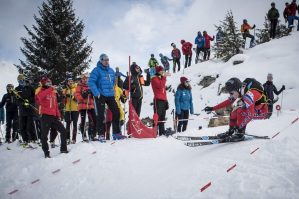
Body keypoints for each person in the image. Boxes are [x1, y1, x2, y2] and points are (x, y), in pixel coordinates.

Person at [204, 78, 268, 142]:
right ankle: (231, 131)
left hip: (261, 111)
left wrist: (239, 128)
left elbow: (250, 115)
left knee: (240, 110)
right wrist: (212, 108)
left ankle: (240, 134)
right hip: (254, 107)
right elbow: (228, 101)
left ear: (237, 89)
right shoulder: (240, 91)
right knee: (233, 113)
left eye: (231, 93)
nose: (230, 95)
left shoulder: (250, 94)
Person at [88, 53, 125, 140]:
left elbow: (113, 83)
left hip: (110, 95)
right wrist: (97, 93)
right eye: (104, 60)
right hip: (101, 95)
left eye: (107, 60)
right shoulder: (96, 70)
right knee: (101, 115)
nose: (106, 61)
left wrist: (112, 90)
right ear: (101, 61)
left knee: (116, 112)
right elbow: (91, 82)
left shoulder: (111, 70)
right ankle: (101, 135)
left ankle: (116, 133)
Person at [36, 77, 68, 158]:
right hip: (45, 116)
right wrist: (50, 89)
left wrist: (58, 115)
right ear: (43, 83)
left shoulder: (53, 92)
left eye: (50, 82)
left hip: (54, 116)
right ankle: (46, 152)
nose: (49, 83)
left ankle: (63, 149)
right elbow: (39, 98)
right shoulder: (41, 91)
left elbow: (55, 105)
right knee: (44, 136)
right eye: (47, 82)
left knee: (63, 131)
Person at [75, 73, 98, 142]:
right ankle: (84, 136)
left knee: (94, 120)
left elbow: (95, 93)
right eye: (84, 79)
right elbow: (77, 95)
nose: (85, 80)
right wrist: (83, 95)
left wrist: (93, 93)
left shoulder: (90, 85)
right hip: (83, 106)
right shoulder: (79, 86)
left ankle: (92, 135)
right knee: (83, 121)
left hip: (90, 105)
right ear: (81, 79)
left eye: (86, 79)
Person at [14, 74, 36, 144]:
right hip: (22, 111)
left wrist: (28, 101)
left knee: (29, 126)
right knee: (22, 126)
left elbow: (34, 97)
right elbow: (16, 100)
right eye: (19, 81)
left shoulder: (30, 87)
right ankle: (25, 140)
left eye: (22, 80)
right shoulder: (17, 89)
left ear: (24, 80)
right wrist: (23, 103)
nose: (21, 82)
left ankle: (33, 139)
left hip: (30, 110)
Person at [151, 66, 169, 136]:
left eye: (163, 71)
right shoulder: (154, 78)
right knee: (157, 116)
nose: (163, 72)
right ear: (158, 71)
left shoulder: (161, 78)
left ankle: (162, 133)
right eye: (162, 71)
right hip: (157, 100)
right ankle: (154, 132)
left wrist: (166, 100)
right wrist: (164, 77)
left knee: (162, 117)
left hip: (163, 100)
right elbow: (161, 86)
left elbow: (164, 91)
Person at [63, 77, 79, 144]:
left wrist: (72, 97)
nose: (70, 82)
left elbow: (78, 98)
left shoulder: (76, 88)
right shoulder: (65, 89)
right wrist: (64, 97)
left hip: (75, 108)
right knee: (68, 124)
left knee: (75, 124)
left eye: (71, 81)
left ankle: (74, 139)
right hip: (67, 109)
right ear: (67, 82)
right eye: (69, 81)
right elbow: (63, 100)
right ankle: (67, 138)